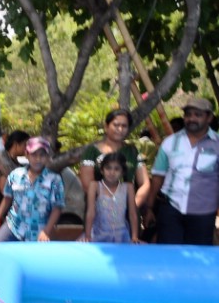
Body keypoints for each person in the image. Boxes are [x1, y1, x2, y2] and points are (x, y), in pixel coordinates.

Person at [144, 98, 219, 246]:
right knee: (169, 255)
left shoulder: (217, 145)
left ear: (209, 118)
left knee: (197, 257)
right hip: (171, 210)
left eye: (198, 115)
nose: (192, 118)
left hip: (203, 213)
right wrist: (149, 208)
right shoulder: (170, 142)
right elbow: (158, 177)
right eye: (188, 114)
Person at [0, 136, 64, 242]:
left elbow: (57, 208)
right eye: (34, 155)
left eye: (42, 155)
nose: (38, 159)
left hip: (39, 230)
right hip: (14, 227)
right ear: (27, 155)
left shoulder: (54, 179)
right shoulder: (16, 175)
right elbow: (7, 198)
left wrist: (46, 231)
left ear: (47, 157)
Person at [79, 108, 149, 208]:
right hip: (98, 210)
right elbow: (87, 185)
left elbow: (145, 183)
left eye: (124, 126)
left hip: (128, 211)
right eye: (116, 125)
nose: (120, 129)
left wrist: (132, 206)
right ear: (106, 127)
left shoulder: (132, 151)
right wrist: (109, 206)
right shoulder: (91, 151)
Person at [85, 152, 140, 244]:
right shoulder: (95, 186)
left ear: (123, 172)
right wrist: (87, 236)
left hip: (122, 235)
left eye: (117, 169)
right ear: (102, 170)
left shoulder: (128, 187)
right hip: (99, 234)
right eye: (108, 168)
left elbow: (132, 213)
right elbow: (90, 212)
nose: (112, 172)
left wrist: (134, 236)